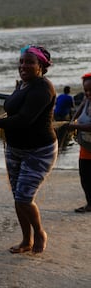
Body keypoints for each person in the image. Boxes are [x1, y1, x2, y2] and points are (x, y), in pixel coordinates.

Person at [0, 45, 58, 254]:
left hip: (39, 151)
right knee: (17, 196)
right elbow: (12, 111)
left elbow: (25, 120)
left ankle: (40, 232)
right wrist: (0, 120)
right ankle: (26, 240)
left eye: (30, 62)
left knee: (24, 198)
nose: (23, 65)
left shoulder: (43, 88)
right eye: (22, 61)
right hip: (15, 149)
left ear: (41, 66)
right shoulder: (22, 85)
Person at [68, 73, 91, 213]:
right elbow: (79, 110)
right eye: (86, 90)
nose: (88, 93)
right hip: (86, 147)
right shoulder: (86, 100)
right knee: (85, 177)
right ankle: (90, 203)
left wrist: (74, 127)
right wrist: (72, 121)